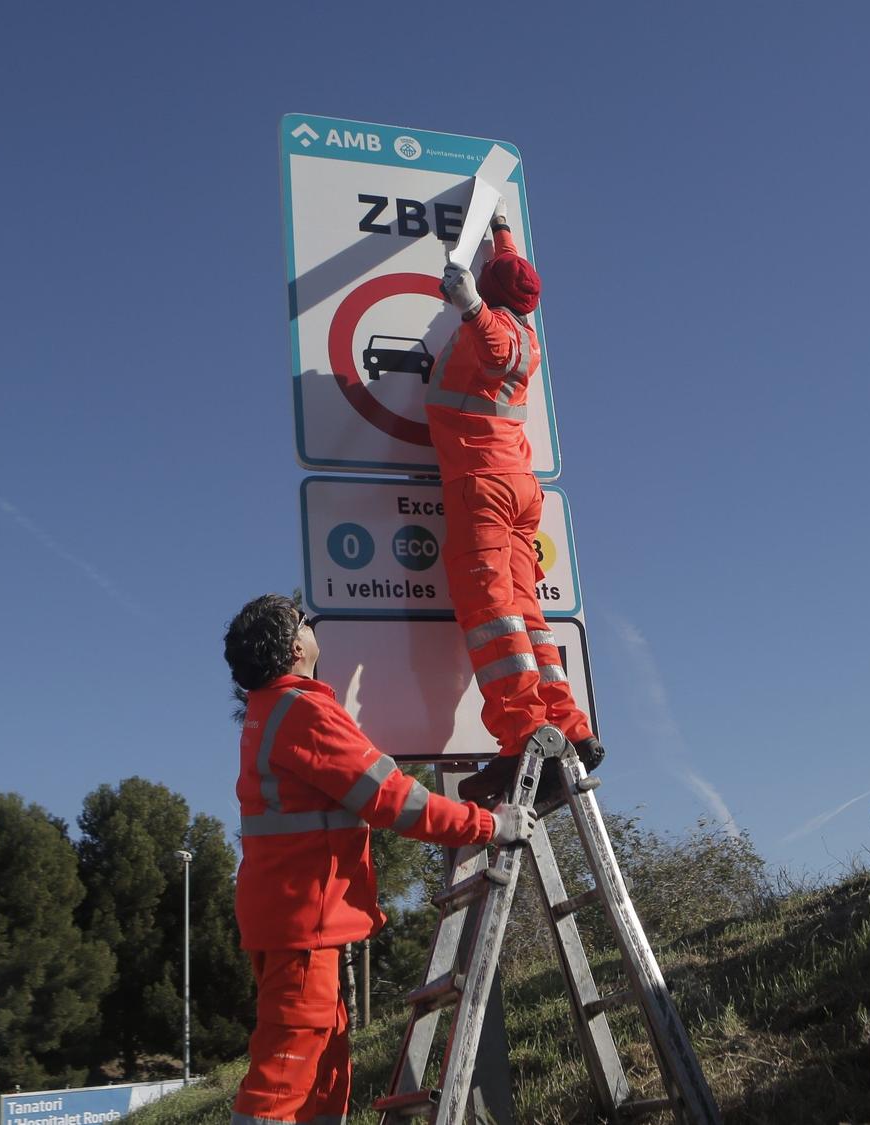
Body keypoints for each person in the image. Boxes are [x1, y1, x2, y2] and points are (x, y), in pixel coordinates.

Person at [224, 593, 536, 1125]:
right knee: (285, 1072)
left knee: (323, 1068)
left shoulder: (267, 710)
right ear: (296, 645)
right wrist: (487, 824)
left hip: (287, 915)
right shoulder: (302, 710)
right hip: (304, 921)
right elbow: (393, 798)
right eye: (305, 620)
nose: (313, 624)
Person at [427, 204, 606, 805]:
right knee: (526, 615)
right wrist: (499, 224)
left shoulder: (504, 333)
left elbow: (497, 345)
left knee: (491, 615)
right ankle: (571, 731)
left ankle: (525, 740)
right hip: (514, 485)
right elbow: (511, 272)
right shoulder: (527, 320)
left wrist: (468, 302)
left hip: (482, 485)